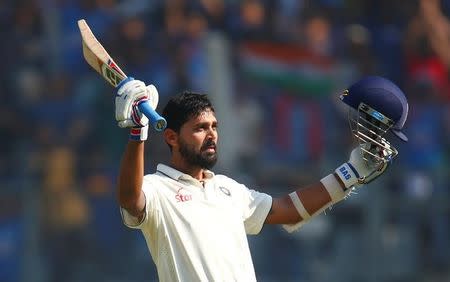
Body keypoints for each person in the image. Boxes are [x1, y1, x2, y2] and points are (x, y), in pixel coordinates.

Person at [113, 76, 408, 281]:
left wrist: (350, 174)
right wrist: (137, 133)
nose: (212, 134)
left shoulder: (227, 189)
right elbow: (130, 199)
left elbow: (287, 211)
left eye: (214, 126)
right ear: (171, 137)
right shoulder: (156, 188)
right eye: (200, 128)